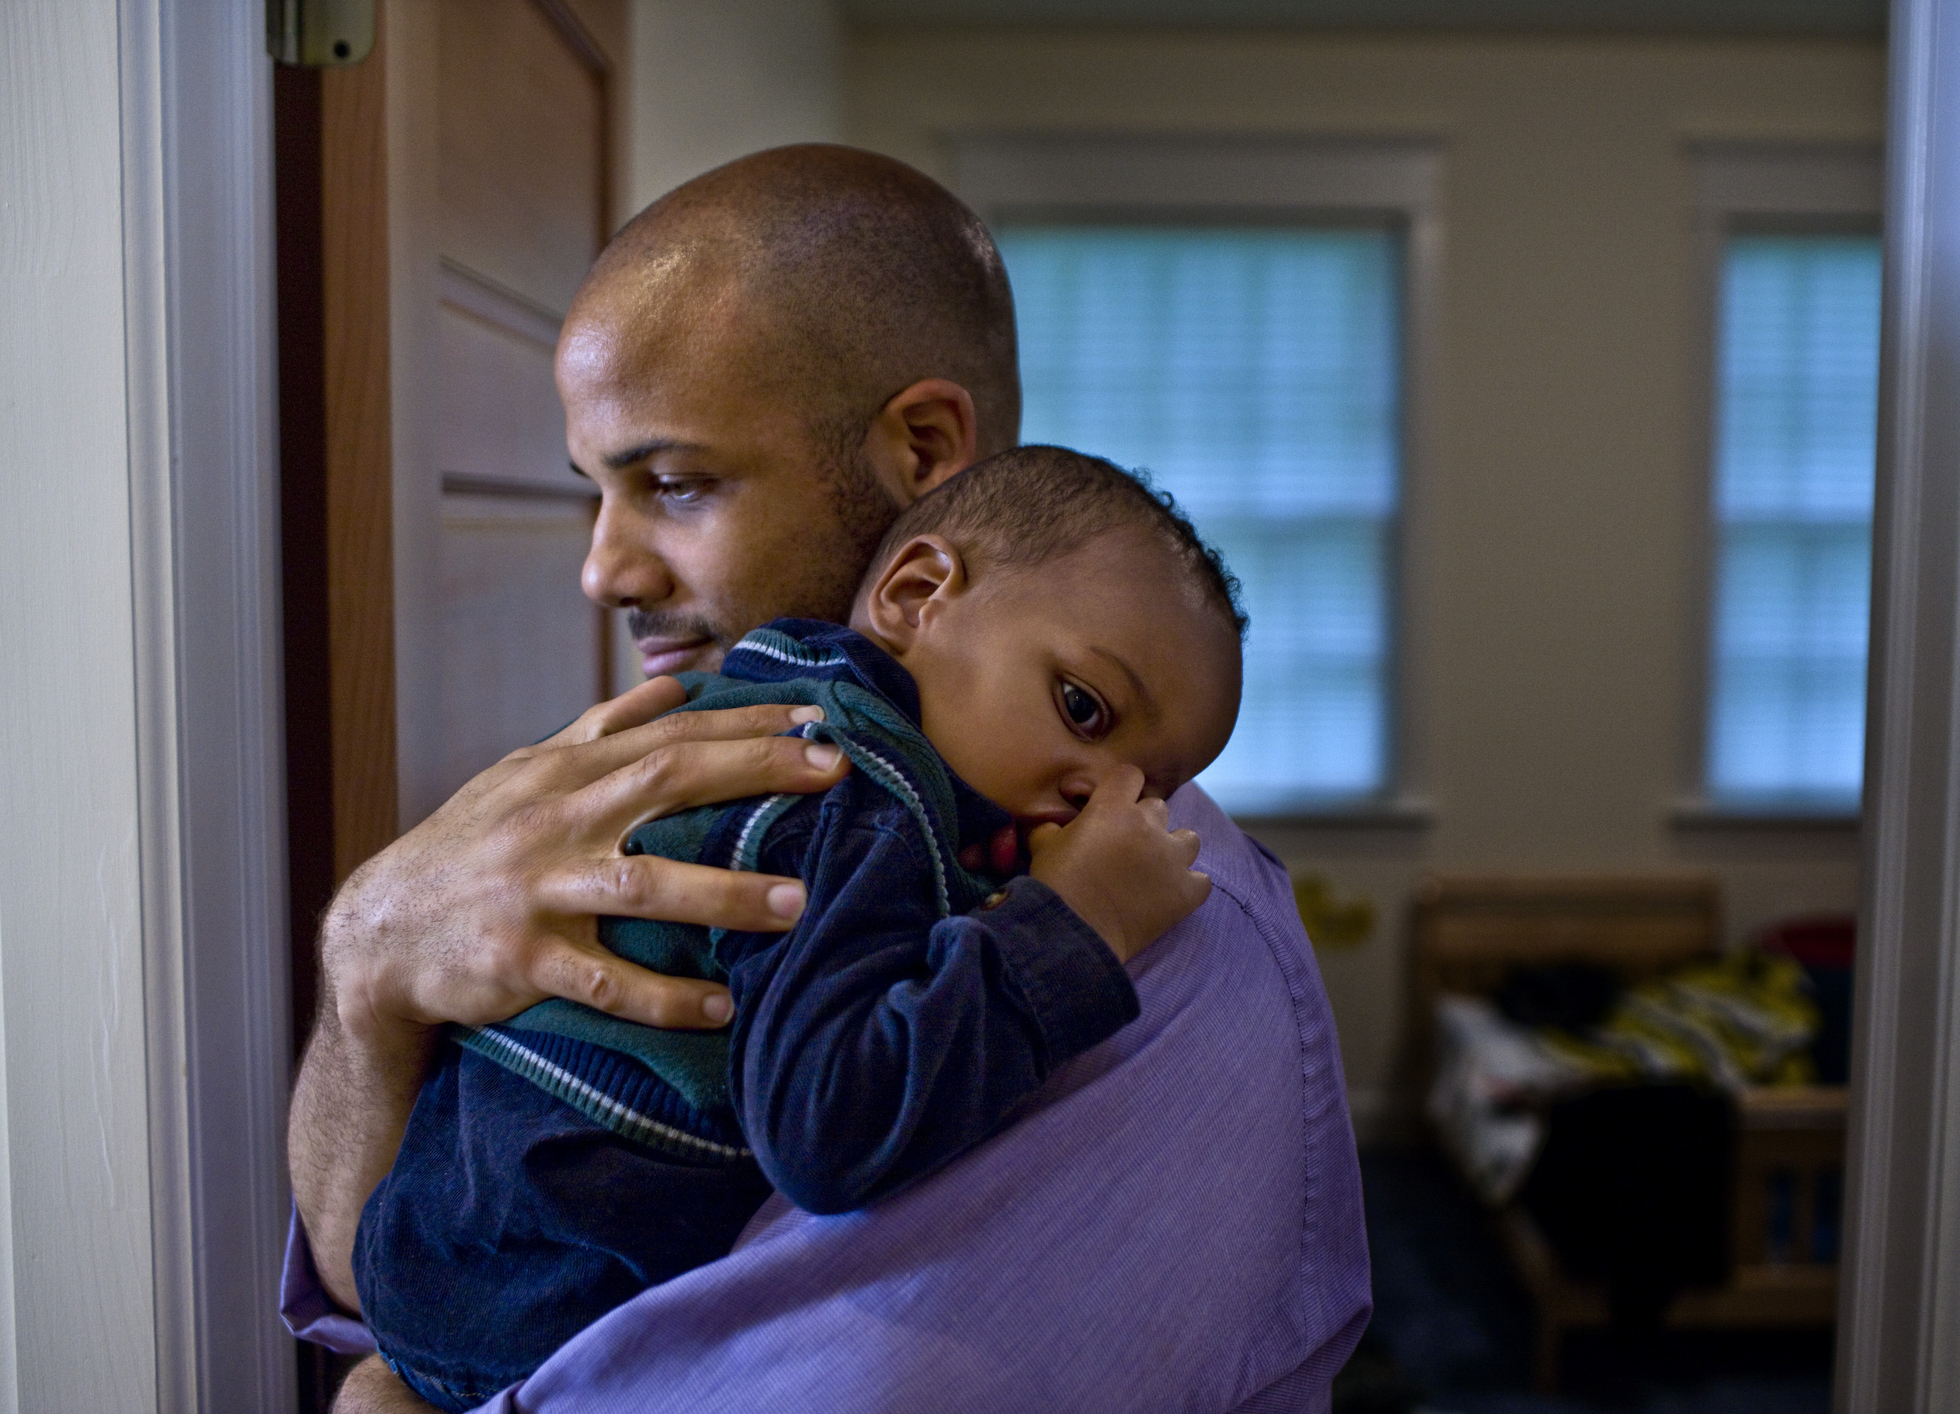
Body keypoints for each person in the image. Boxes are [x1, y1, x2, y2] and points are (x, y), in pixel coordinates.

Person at [286, 144, 1369, 1413]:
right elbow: (364, 1294)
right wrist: (368, 966)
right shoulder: (687, 776)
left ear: (922, 451)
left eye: (677, 484)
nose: (605, 572)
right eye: (599, 491)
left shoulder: (1151, 932)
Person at [355, 447, 1246, 1410]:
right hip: (538, 1309)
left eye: (1148, 789)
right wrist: (1079, 923)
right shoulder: (847, 797)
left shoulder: (773, 698)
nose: (1102, 800)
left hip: (438, 1262)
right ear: (914, 594)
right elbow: (829, 1130)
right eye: (1082, 708)